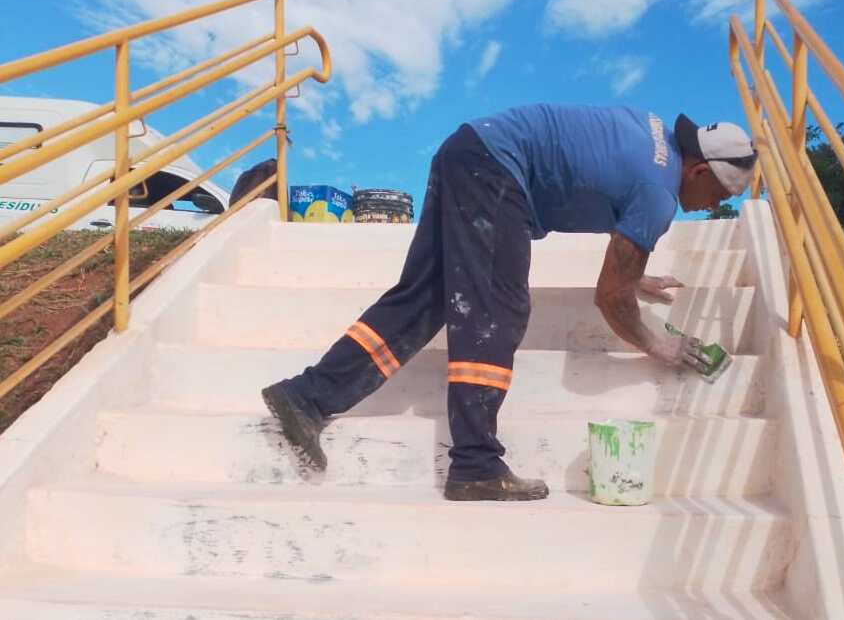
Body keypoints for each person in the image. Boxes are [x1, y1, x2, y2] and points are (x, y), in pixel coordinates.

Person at [261, 104, 758, 502]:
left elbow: (602, 181)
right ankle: (475, 466)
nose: (716, 205)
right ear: (697, 170)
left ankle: (306, 397)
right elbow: (610, 298)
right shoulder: (658, 192)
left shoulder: (652, 142)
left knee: (424, 298)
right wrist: (658, 346)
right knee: (495, 310)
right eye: (719, 193)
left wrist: (635, 273)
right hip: (496, 170)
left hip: (470, 147)